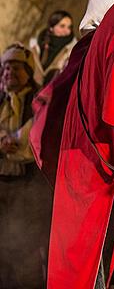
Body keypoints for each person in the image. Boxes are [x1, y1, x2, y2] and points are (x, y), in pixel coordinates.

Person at [0, 43, 53, 288]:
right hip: (3, 187)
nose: (9, 73)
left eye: (16, 68)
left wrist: (15, 141)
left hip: (28, 189)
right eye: (5, 68)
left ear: (28, 71)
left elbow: (35, 140)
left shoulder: (39, 100)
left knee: (26, 251)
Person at [29, 9, 77, 86]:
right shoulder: (36, 45)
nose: (67, 31)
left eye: (69, 27)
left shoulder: (73, 49)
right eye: (62, 26)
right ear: (51, 27)